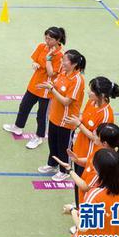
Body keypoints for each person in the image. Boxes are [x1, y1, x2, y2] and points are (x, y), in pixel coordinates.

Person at [2, 27, 66, 150]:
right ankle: (18, 127)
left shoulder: (60, 55)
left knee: (41, 115)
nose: (47, 41)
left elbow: (52, 73)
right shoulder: (42, 46)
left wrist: (48, 58)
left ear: (58, 40)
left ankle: (39, 137)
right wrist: (35, 64)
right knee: (24, 106)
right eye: (46, 37)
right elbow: (34, 60)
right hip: (35, 84)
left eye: (50, 39)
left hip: (47, 89)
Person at [66, 77, 119, 206]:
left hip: (90, 155)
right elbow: (84, 119)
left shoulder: (106, 114)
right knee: (78, 184)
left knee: (85, 186)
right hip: (79, 148)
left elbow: (98, 139)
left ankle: (81, 214)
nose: (89, 93)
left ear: (102, 95)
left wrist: (78, 125)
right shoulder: (91, 102)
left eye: (92, 91)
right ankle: (79, 204)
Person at [37, 49, 86, 181]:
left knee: (64, 146)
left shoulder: (78, 80)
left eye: (65, 60)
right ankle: (52, 164)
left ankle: (64, 171)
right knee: (52, 143)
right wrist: (50, 85)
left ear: (74, 64)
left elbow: (66, 101)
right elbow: (56, 85)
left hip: (66, 120)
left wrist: (51, 89)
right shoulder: (63, 73)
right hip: (54, 116)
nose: (62, 62)